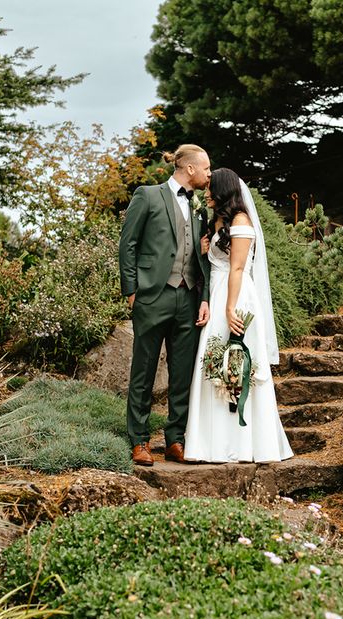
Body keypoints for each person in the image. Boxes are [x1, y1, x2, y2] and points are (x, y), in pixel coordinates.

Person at [184, 168, 293, 463]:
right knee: (214, 362)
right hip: (219, 291)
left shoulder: (242, 221)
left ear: (223, 190)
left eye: (210, 188)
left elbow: (237, 268)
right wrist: (205, 248)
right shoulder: (217, 221)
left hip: (236, 295)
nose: (205, 193)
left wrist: (230, 308)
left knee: (237, 361)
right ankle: (212, 443)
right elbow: (217, 262)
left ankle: (244, 444)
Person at [119, 144, 212, 466]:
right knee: (143, 371)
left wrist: (204, 297)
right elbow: (128, 243)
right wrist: (131, 290)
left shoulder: (200, 207)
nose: (209, 174)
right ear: (189, 169)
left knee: (183, 373)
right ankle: (139, 441)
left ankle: (176, 440)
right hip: (152, 295)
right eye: (206, 169)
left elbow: (204, 259)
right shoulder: (148, 195)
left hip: (187, 297)